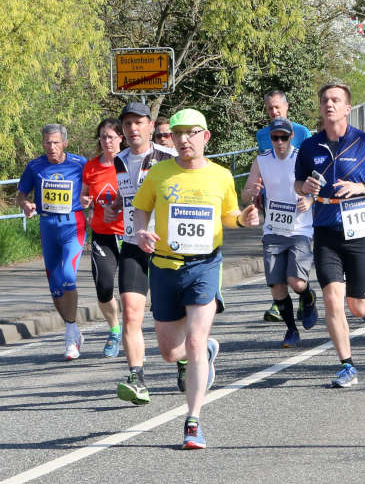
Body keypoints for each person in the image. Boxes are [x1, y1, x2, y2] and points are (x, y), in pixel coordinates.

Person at [132, 108, 260, 448]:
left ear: (205, 137)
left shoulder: (219, 176)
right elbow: (141, 208)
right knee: (171, 353)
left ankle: (193, 422)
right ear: (171, 139)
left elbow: (230, 217)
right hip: (163, 266)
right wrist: (141, 231)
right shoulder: (159, 173)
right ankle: (204, 351)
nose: (184, 139)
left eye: (191, 133)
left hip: (204, 265)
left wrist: (244, 220)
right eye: (178, 134)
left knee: (194, 340)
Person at [295, 83, 365, 388]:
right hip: (325, 230)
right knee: (331, 298)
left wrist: (361, 188)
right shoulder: (310, 146)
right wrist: (305, 190)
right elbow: (298, 183)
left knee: (356, 303)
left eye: (336, 100)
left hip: (360, 230)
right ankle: (346, 365)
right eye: (325, 99)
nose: (329, 104)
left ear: (348, 108)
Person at [109, 102, 177, 406]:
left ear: (151, 126)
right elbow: (128, 199)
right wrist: (115, 207)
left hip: (166, 246)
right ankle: (137, 377)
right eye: (127, 125)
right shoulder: (119, 160)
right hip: (133, 245)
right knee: (131, 313)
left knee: (171, 318)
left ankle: (187, 360)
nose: (133, 129)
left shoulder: (170, 158)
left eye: (138, 123)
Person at [242, 118, 319, 348]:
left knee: (296, 282)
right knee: (277, 286)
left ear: (291, 137)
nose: (279, 142)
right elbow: (246, 192)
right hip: (274, 229)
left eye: (283, 137)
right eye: (275, 138)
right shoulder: (262, 160)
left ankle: (308, 297)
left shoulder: (302, 157)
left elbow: (318, 187)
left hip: (300, 229)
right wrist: (252, 192)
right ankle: (291, 331)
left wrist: (309, 199)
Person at [16, 124, 89, 360]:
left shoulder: (80, 164)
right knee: (56, 287)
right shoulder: (35, 166)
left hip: (73, 225)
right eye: (47, 142)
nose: (51, 147)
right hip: (48, 227)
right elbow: (20, 195)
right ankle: (73, 328)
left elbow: (93, 189)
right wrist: (25, 205)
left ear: (65, 143)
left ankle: (69, 336)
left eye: (56, 142)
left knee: (68, 275)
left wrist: (90, 200)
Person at [81, 118, 125, 358]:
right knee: (104, 288)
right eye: (103, 137)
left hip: (129, 234)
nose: (107, 141)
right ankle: (115, 330)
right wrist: (86, 203)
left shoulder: (129, 163)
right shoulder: (91, 167)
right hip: (102, 234)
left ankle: (132, 332)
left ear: (121, 137)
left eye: (111, 136)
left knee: (130, 290)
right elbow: (85, 196)